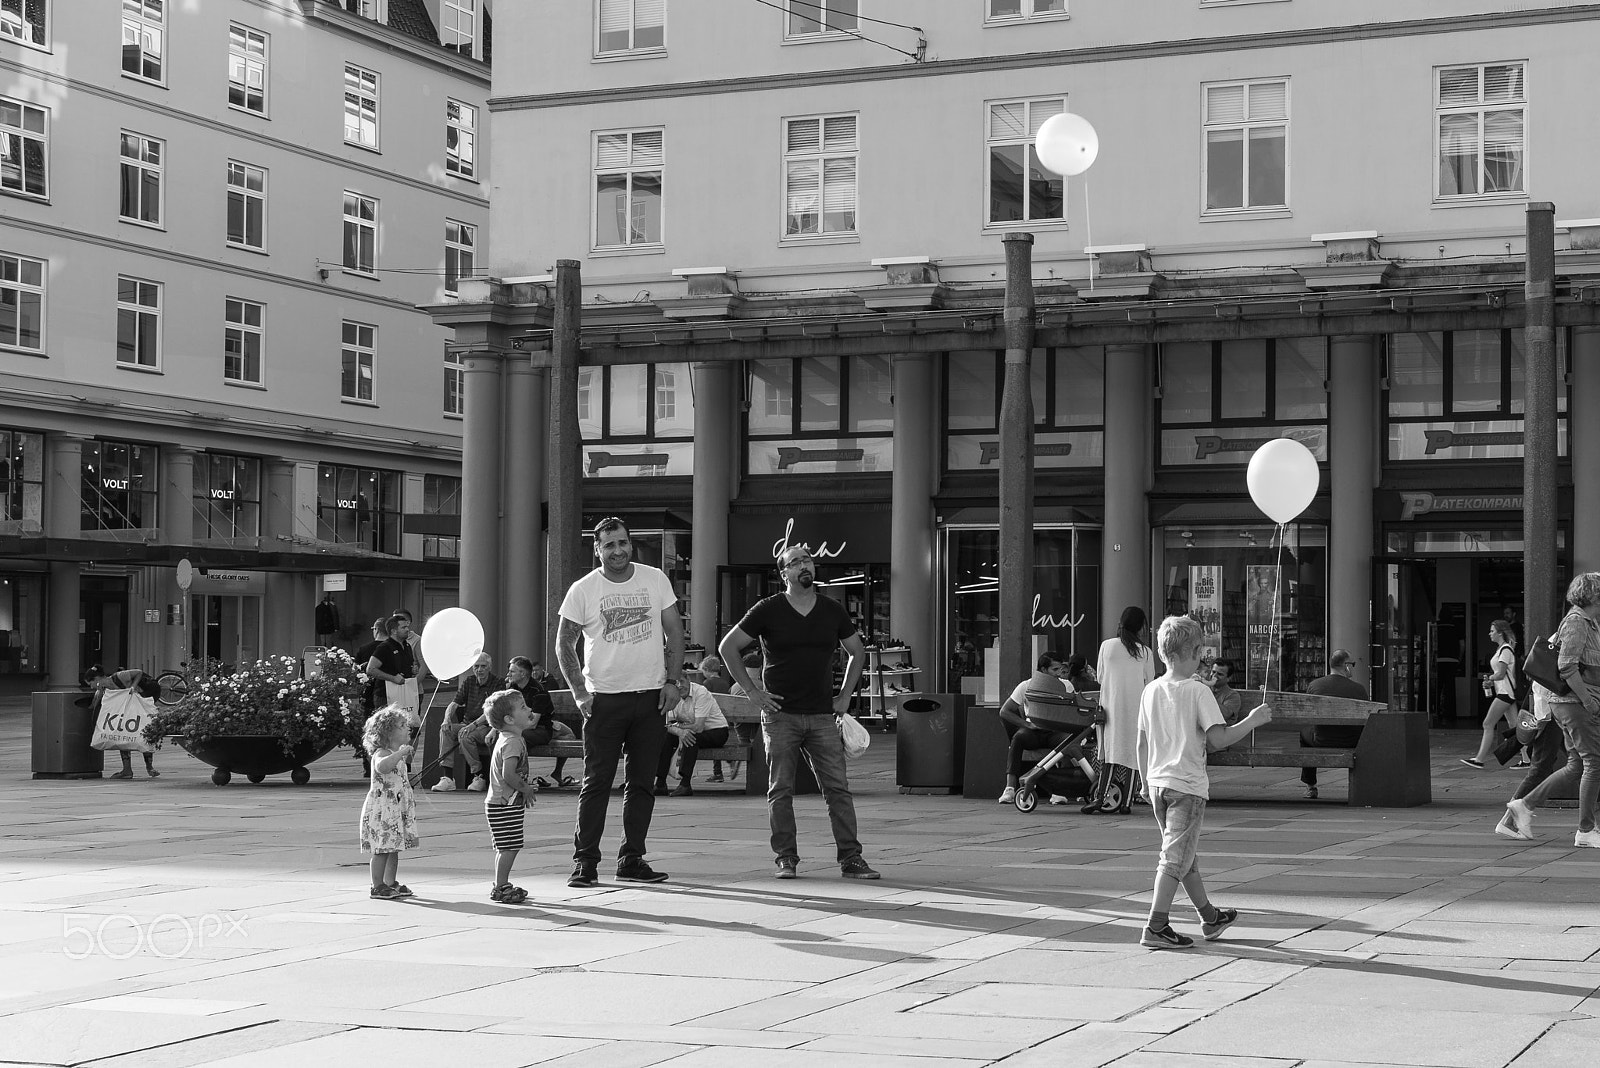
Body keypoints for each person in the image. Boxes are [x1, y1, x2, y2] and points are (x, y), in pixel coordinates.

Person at [720, 542, 880, 881]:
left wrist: (845, 696)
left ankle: (851, 859)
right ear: (784, 574)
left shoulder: (831, 610)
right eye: (795, 562)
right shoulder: (768, 609)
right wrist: (753, 692)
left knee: (837, 788)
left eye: (807, 560)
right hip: (781, 715)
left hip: (823, 714)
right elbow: (728, 647)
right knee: (780, 788)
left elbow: (857, 651)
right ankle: (786, 859)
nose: (804, 566)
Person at [557, 516, 685, 888]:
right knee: (596, 783)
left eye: (623, 543)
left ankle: (631, 858)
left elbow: (674, 631)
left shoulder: (654, 579)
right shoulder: (583, 589)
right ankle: (585, 863)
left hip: (650, 698)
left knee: (643, 783)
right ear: (597, 550)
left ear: (632, 544)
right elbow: (564, 643)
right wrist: (579, 691)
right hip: (604, 700)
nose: (618, 550)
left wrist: (673, 680)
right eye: (609, 545)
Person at [1136, 615, 1273, 949]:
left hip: (1157, 784)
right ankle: (1156, 926)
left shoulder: (1151, 689)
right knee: (1173, 859)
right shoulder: (1198, 691)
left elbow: (1141, 742)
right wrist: (1253, 721)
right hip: (1187, 786)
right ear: (1196, 652)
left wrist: (1142, 783)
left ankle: (1210, 918)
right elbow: (1218, 739)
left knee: (1183, 856)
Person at [1502, 572, 1600, 847]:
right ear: (1592, 595)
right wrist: (1590, 701)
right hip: (1576, 703)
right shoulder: (1577, 623)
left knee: (1577, 765)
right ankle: (1586, 830)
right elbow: (1567, 666)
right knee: (1594, 764)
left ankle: (1524, 804)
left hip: (1572, 703)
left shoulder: (1588, 623)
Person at [1089, 607, 1156, 815]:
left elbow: (1100, 677)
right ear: (1141, 627)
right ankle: (1127, 801)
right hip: (1137, 708)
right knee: (1134, 753)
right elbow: (1150, 680)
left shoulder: (1107, 646)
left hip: (1111, 706)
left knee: (1110, 751)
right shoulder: (1145, 652)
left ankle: (1101, 797)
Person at [483, 688, 538, 904]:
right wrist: (526, 788)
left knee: (506, 845)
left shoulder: (508, 738)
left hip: (500, 803)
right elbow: (508, 774)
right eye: (523, 707)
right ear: (509, 718)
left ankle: (501, 884)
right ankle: (500, 886)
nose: (529, 709)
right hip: (504, 804)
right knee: (509, 846)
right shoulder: (512, 741)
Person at [359, 706, 418, 900]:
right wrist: (399, 755)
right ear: (387, 733)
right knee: (382, 848)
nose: (407, 728)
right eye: (402, 725)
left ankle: (390, 882)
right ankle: (377, 885)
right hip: (383, 810)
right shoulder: (382, 753)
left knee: (394, 847)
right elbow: (382, 767)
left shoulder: (396, 752)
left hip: (395, 808)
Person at [996, 652, 1070, 805]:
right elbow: (1005, 711)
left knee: (1070, 741)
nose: (1058, 674)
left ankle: (1059, 790)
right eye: (1054, 670)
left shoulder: (1066, 685)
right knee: (1018, 738)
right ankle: (1010, 788)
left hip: (1055, 731)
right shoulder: (1026, 685)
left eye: (1060, 670)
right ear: (1043, 670)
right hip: (1033, 732)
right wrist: (1027, 724)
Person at [1300, 649, 1368, 800]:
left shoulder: (1315, 686)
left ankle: (1310, 785)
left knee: (1304, 732)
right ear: (1346, 666)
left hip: (1321, 740)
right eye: (1353, 664)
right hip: (1353, 741)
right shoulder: (1359, 689)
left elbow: (1308, 715)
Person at [431, 652, 502, 792]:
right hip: (468, 724)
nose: (479, 670)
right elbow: (454, 704)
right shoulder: (469, 681)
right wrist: (446, 719)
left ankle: (478, 776)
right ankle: (448, 778)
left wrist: (472, 725)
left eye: (483, 666)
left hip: (486, 725)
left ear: (490, 667)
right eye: (476, 666)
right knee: (446, 730)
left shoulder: (498, 682)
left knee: (466, 735)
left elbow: (491, 711)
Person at [656, 679, 730, 796]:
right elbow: (665, 725)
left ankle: (685, 784)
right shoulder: (672, 695)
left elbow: (698, 727)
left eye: (682, 681)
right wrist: (679, 731)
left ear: (689, 681)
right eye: (676, 684)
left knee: (691, 738)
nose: (680, 686)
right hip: (690, 730)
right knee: (665, 737)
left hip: (716, 732)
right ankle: (660, 783)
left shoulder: (701, 692)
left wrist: (679, 728)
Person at [83, 665, 159, 779]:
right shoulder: (103, 688)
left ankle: (149, 767)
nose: (91, 686)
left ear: (96, 679)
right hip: (127, 710)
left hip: (143, 699)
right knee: (121, 734)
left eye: (90, 684)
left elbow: (138, 672)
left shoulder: (118, 677)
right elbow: (96, 700)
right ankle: (127, 770)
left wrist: (132, 687)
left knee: (143, 731)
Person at [1464, 619, 1520, 768]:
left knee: (1488, 723)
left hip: (1505, 693)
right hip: (1506, 692)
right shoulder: (1502, 649)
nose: (1490, 634)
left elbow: (1500, 674)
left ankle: (1480, 759)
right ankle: (1527, 760)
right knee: (1514, 727)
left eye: (1492, 631)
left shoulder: (1505, 650)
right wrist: (1491, 680)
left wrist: (1490, 678)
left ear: (1500, 633)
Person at [366, 615, 418, 728]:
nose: (407, 629)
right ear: (394, 631)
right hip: (385, 695)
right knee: (387, 729)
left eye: (407, 627)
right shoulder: (384, 647)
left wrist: (413, 668)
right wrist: (392, 678)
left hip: (404, 694)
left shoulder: (407, 646)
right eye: (403, 627)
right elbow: (370, 669)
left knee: (406, 727)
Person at [697, 655, 736, 781]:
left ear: (707, 669)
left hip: (712, 720)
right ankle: (727, 762)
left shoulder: (707, 684)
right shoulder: (725, 683)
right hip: (724, 720)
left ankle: (718, 772)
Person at [1208, 659, 1243, 725]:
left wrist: (1206, 695)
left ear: (1228, 678)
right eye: (1213, 672)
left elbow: (1225, 715)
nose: (1214, 676)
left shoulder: (1233, 695)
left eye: (1220, 674)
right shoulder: (1203, 688)